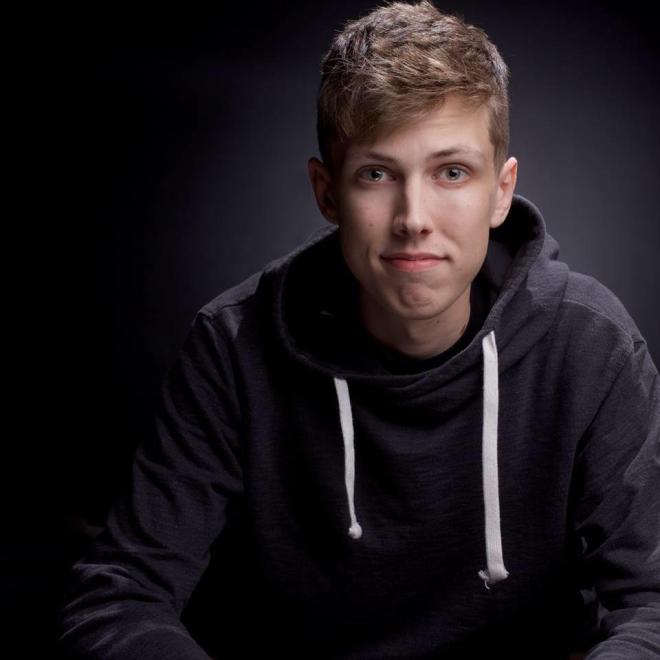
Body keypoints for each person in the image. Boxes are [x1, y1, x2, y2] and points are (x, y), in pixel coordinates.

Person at [58, 1, 660, 657]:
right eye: (376, 174)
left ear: (500, 190)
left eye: (451, 172)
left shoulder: (589, 343)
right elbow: (119, 597)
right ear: (327, 192)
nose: (413, 218)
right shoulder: (234, 346)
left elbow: (653, 607)